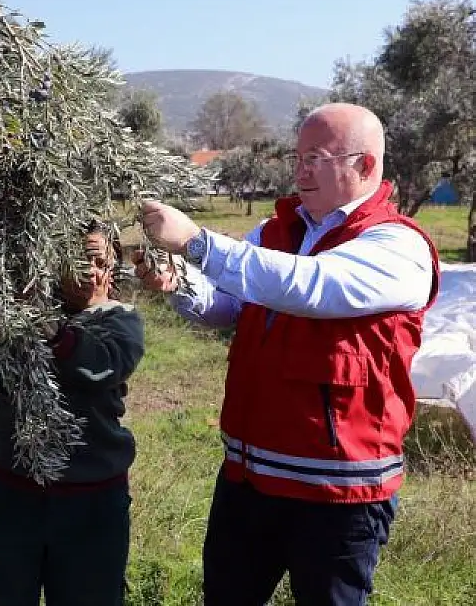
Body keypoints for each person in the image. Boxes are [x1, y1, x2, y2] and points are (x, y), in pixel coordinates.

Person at [135, 102, 441, 605]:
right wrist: (179, 284)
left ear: (364, 165)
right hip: (249, 478)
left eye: (315, 158)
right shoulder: (277, 231)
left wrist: (197, 243)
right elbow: (227, 306)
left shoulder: (397, 245)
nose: (299, 170)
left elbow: (311, 286)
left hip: (338, 495)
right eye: (296, 157)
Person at [0, 221, 145, 606]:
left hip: (89, 504)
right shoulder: (23, 307)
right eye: (76, 261)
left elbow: (102, 365)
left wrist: (52, 332)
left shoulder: (121, 321)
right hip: (3, 493)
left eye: (99, 262)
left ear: (112, 271)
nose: (88, 273)